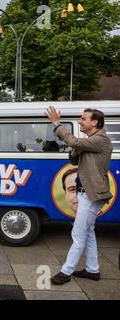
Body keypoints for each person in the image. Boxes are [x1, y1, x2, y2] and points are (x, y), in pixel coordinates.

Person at [46, 106, 113, 285]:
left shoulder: (101, 139)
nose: (79, 121)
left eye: (83, 119)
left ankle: (65, 272)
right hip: (86, 195)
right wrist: (75, 151)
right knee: (88, 232)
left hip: (91, 196)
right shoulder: (91, 141)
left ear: (94, 122)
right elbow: (74, 160)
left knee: (78, 235)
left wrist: (56, 124)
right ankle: (93, 270)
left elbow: (73, 141)